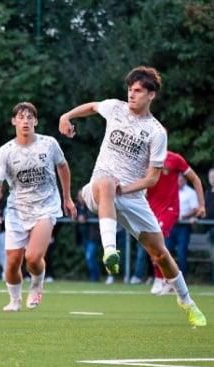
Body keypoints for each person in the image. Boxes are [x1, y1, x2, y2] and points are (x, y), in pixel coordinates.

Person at [58, 65, 206, 326]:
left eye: (138, 91)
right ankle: (110, 251)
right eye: (130, 90)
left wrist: (123, 189)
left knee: (160, 254)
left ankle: (187, 302)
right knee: (104, 183)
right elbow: (93, 106)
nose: (132, 95)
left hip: (133, 197)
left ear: (152, 95)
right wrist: (66, 116)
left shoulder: (156, 132)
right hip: (101, 190)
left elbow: (152, 178)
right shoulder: (115, 108)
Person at [0, 101, 76, 312]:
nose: (25, 121)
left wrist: (67, 198)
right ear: (13, 122)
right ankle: (14, 300)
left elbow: (63, 167)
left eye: (29, 117)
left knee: (33, 257)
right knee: (12, 262)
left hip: (46, 206)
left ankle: (37, 284)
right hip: (17, 210)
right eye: (21, 117)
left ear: (35, 121)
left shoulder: (49, 144)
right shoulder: (6, 151)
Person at [136, 151, 205, 295]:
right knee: (151, 246)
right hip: (150, 209)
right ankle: (167, 278)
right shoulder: (143, 159)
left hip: (170, 209)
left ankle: (160, 278)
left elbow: (195, 179)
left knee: (157, 242)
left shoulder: (175, 159)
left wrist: (201, 205)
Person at [164, 173, 204, 276]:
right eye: (177, 180)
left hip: (183, 226)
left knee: (182, 252)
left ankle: (182, 276)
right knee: (167, 251)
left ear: (185, 181)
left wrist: (182, 216)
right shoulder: (171, 190)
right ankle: (168, 276)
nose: (178, 182)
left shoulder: (190, 193)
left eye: (181, 180)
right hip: (171, 225)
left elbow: (195, 208)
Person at [76, 188, 101, 282]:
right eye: (79, 196)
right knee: (88, 257)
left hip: (93, 237)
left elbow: (94, 215)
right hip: (83, 237)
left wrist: (85, 217)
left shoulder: (92, 205)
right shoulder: (77, 206)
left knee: (89, 256)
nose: (80, 198)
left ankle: (95, 277)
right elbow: (71, 215)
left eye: (82, 196)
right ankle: (93, 276)